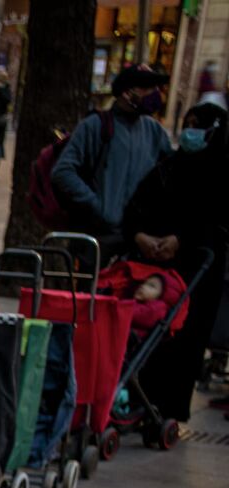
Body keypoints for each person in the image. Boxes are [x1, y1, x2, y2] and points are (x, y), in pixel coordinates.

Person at [121, 101, 227, 423]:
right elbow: (137, 207)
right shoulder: (169, 167)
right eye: (188, 123)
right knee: (150, 328)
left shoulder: (219, 174)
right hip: (157, 268)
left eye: (198, 125)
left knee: (186, 338)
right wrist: (140, 236)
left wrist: (181, 240)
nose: (190, 132)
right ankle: (140, 398)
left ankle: (168, 407)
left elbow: (216, 222)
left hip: (198, 270)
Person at [53, 65, 173, 253]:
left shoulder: (154, 131)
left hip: (139, 240)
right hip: (100, 239)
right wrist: (99, 207)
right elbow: (63, 171)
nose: (155, 94)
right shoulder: (94, 126)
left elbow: (171, 174)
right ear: (127, 93)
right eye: (147, 88)